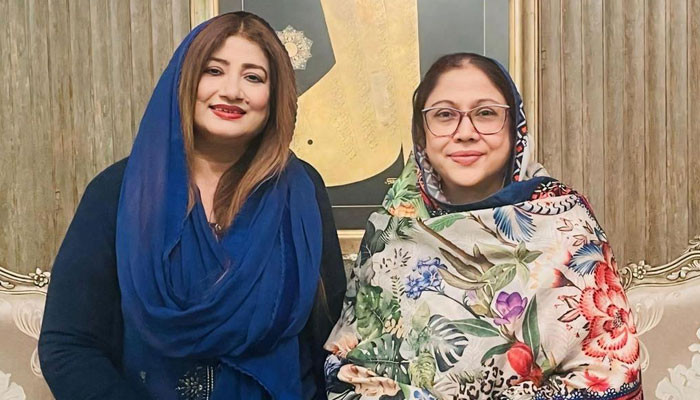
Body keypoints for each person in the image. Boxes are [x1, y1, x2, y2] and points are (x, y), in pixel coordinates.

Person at [38, 12, 345, 400]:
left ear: (275, 96)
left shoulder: (301, 191)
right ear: (184, 81)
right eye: (213, 71)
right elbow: (68, 346)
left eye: (253, 77)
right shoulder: (117, 192)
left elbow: (330, 337)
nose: (232, 91)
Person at [324, 53, 642, 400]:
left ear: (515, 128)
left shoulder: (567, 226)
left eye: (486, 113)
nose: (465, 133)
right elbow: (346, 361)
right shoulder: (391, 229)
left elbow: (611, 374)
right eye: (444, 115)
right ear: (421, 133)